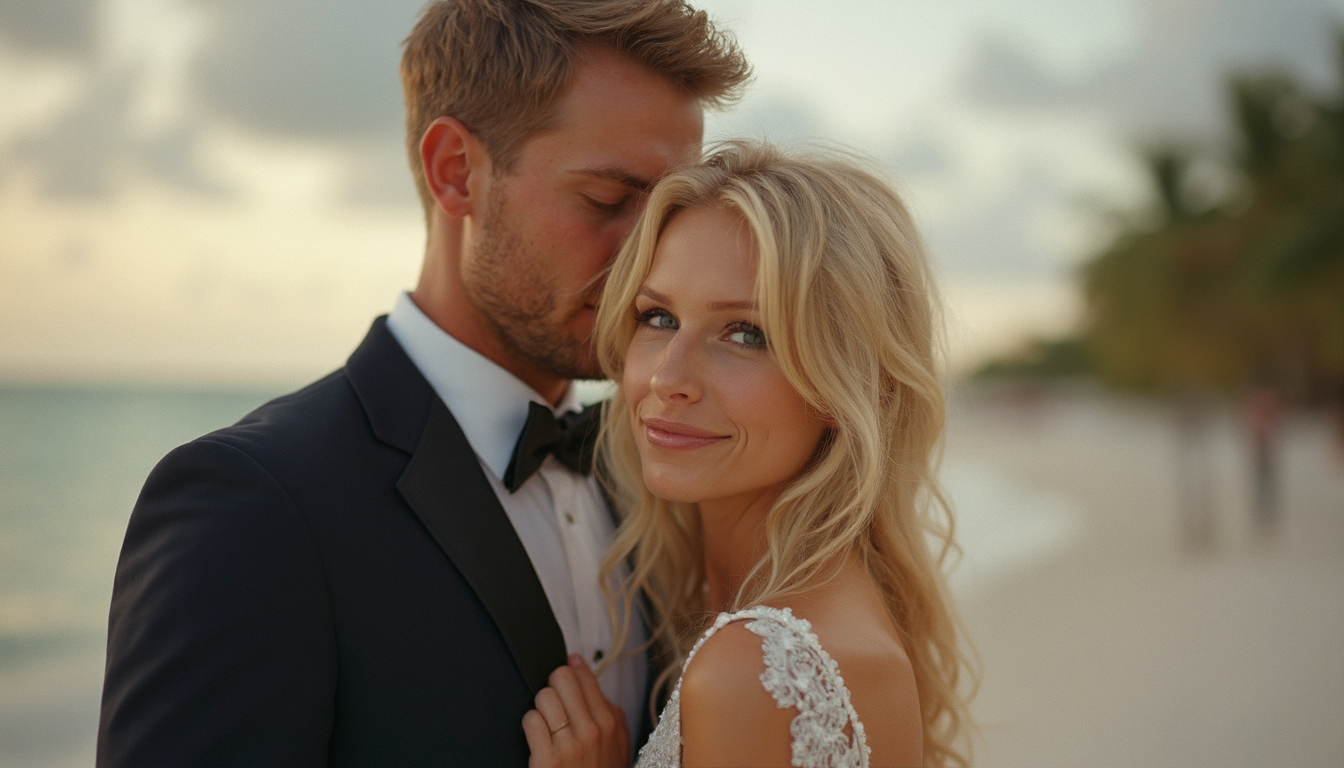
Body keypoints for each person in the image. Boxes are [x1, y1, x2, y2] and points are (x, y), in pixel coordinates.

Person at [96, 2, 748, 765]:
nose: (648, 259)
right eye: (606, 201)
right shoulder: (254, 504)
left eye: (671, 212)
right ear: (455, 172)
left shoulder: (666, 471)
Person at [521, 141, 975, 768]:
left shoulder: (757, 671)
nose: (667, 378)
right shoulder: (838, 617)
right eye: (658, 317)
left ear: (853, 385)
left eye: (745, 333)